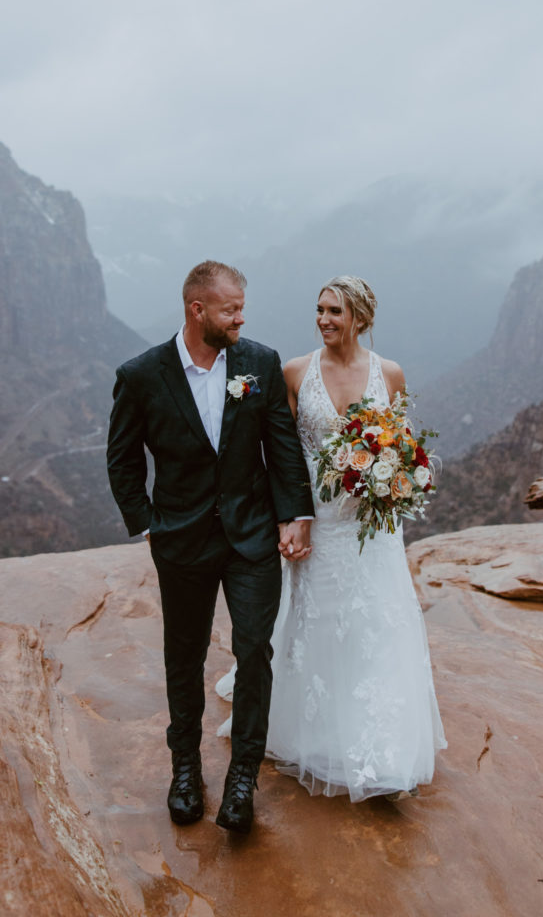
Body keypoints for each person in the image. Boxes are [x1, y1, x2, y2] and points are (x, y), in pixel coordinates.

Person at [217, 275, 446, 801]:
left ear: (360, 319)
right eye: (319, 309)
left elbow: (402, 445)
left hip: (374, 527)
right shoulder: (296, 373)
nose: (324, 319)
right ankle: (317, 732)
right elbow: (282, 452)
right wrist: (290, 518)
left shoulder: (389, 374)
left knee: (375, 621)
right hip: (320, 522)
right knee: (317, 617)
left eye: (335, 312)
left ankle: (382, 743)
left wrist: (396, 480)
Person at [107, 261, 314, 833]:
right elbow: (123, 458)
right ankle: (185, 768)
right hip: (181, 541)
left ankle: (242, 776)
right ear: (198, 311)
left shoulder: (259, 363)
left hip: (250, 538)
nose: (241, 318)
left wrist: (294, 515)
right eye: (230, 309)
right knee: (184, 657)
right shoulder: (142, 374)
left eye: (242, 307)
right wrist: (147, 522)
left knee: (254, 653)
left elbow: (282, 446)